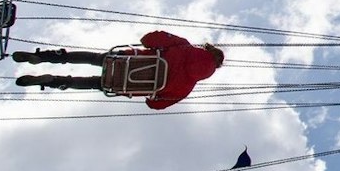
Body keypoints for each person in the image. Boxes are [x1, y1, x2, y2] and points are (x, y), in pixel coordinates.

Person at [12, 32, 224, 109]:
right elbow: (155, 104)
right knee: (93, 83)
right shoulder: (186, 88)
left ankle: (45, 57)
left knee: (92, 58)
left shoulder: (183, 46)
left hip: (124, 62)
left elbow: (148, 38)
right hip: (124, 85)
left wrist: (153, 46)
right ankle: (53, 81)